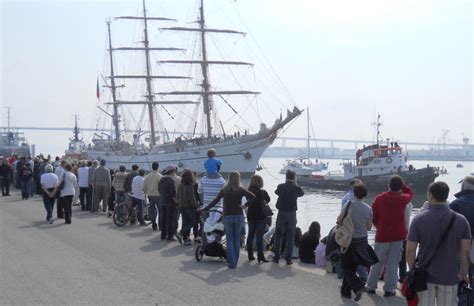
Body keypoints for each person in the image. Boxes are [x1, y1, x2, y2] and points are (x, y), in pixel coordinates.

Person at [407, 181, 471, 306]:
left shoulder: (418, 219)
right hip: (449, 275)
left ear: (430, 195)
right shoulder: (461, 220)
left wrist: (413, 269)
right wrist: (464, 272)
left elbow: (410, 250)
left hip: (424, 276)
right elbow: (465, 252)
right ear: (447, 195)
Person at [366, 175, 413, 297]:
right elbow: (410, 193)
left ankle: (371, 285)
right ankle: (389, 289)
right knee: (393, 263)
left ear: (388, 185)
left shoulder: (379, 198)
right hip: (398, 235)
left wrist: (379, 225)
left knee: (377, 261)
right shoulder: (403, 199)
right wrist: (403, 184)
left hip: (382, 235)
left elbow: (373, 216)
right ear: (400, 187)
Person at [201, 171, 255, 269]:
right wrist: (245, 205)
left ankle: (232, 262)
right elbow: (252, 196)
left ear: (229, 178)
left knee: (229, 239)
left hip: (228, 217)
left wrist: (205, 209)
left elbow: (215, 201)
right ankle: (235, 262)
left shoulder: (224, 189)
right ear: (239, 178)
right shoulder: (240, 189)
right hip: (238, 216)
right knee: (236, 239)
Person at [338, 183, 375, 301]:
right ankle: (345, 292)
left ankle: (357, 286)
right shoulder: (369, 209)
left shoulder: (349, 205)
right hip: (362, 241)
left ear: (354, 193)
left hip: (349, 239)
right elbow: (369, 227)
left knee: (345, 266)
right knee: (352, 266)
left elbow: (339, 219)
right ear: (365, 195)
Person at [449, 176, 474, 306]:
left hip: (459, 247)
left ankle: (463, 302)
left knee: (461, 276)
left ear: (463, 187)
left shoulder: (456, 204)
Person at [272, 169, 304, 265]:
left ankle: (276, 257)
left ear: (286, 176)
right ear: (294, 177)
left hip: (281, 212)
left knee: (278, 235)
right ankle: (288, 258)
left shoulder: (281, 186)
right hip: (292, 214)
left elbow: (276, 192)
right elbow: (302, 193)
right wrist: (296, 183)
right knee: (291, 236)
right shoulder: (296, 188)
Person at [245, 174, 271, 263]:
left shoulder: (248, 191)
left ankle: (250, 254)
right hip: (261, 216)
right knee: (259, 236)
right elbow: (268, 200)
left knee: (250, 235)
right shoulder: (263, 192)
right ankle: (260, 256)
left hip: (251, 215)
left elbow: (247, 199)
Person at [159, 165, 180, 241]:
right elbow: (173, 193)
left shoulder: (161, 180)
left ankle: (163, 235)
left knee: (163, 219)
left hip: (162, 202)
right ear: (172, 171)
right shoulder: (171, 181)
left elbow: (159, 190)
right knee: (170, 219)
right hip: (170, 203)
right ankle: (170, 236)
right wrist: (177, 202)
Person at [177, 169, 198, 245]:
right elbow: (191, 198)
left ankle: (185, 239)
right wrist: (196, 206)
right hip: (189, 207)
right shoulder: (189, 186)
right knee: (193, 222)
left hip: (181, 206)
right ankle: (181, 233)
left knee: (185, 222)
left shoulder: (180, 184)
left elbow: (178, 195)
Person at [143, 162, 162, 231]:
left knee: (152, 210)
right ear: (158, 167)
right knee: (161, 211)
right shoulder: (160, 176)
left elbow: (144, 187)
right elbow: (162, 186)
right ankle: (161, 226)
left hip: (150, 195)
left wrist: (146, 191)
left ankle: (154, 224)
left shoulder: (147, 176)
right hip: (158, 196)